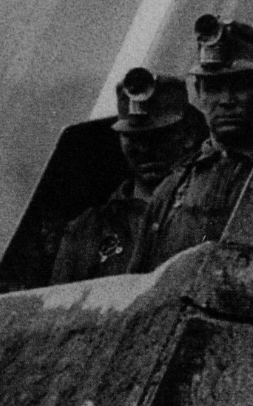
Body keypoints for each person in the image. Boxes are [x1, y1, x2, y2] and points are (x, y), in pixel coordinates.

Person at [133, 15, 253, 267]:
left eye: (241, 86)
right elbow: (138, 285)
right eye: (214, 87)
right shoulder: (171, 191)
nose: (227, 100)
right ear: (197, 92)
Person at [49, 69, 200, 283]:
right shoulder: (88, 229)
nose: (145, 148)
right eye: (133, 137)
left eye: (157, 136)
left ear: (188, 135)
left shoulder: (205, 209)